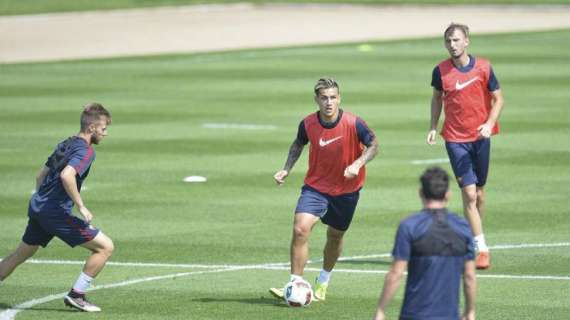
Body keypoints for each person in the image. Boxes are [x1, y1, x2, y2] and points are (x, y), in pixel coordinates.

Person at [269, 78, 379, 301]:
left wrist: (358, 164)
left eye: (333, 97)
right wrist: (286, 169)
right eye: (324, 98)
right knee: (300, 229)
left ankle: (323, 281)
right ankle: (295, 283)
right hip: (316, 188)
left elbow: (374, 144)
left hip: (347, 190)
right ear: (317, 100)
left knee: (335, 236)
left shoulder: (353, 123)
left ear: (339, 98)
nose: (329, 102)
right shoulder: (308, 123)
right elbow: (298, 143)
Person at [0, 103, 114, 312]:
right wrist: (81, 207)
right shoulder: (86, 151)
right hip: (53, 212)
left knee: (20, 254)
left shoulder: (65, 143)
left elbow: (40, 175)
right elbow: (66, 175)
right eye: (103, 129)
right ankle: (76, 295)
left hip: (39, 207)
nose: (105, 134)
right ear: (91, 128)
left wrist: (42, 203)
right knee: (105, 247)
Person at [426, 22, 504, 269]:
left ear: (467, 41)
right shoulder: (440, 71)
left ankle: (474, 238)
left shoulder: (484, 67)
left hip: (481, 137)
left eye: (457, 40)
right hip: (455, 138)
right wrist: (432, 126)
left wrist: (490, 123)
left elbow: (498, 98)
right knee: (469, 193)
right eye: (448, 41)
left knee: (479, 193)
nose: (452, 45)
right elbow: (437, 98)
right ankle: (482, 249)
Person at [373, 166, 477, 320]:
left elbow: (396, 273)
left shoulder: (409, 226)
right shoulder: (462, 227)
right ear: (448, 195)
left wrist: (381, 310)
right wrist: (469, 311)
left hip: (414, 314)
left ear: (421, 193)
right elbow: (469, 276)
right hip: (449, 315)